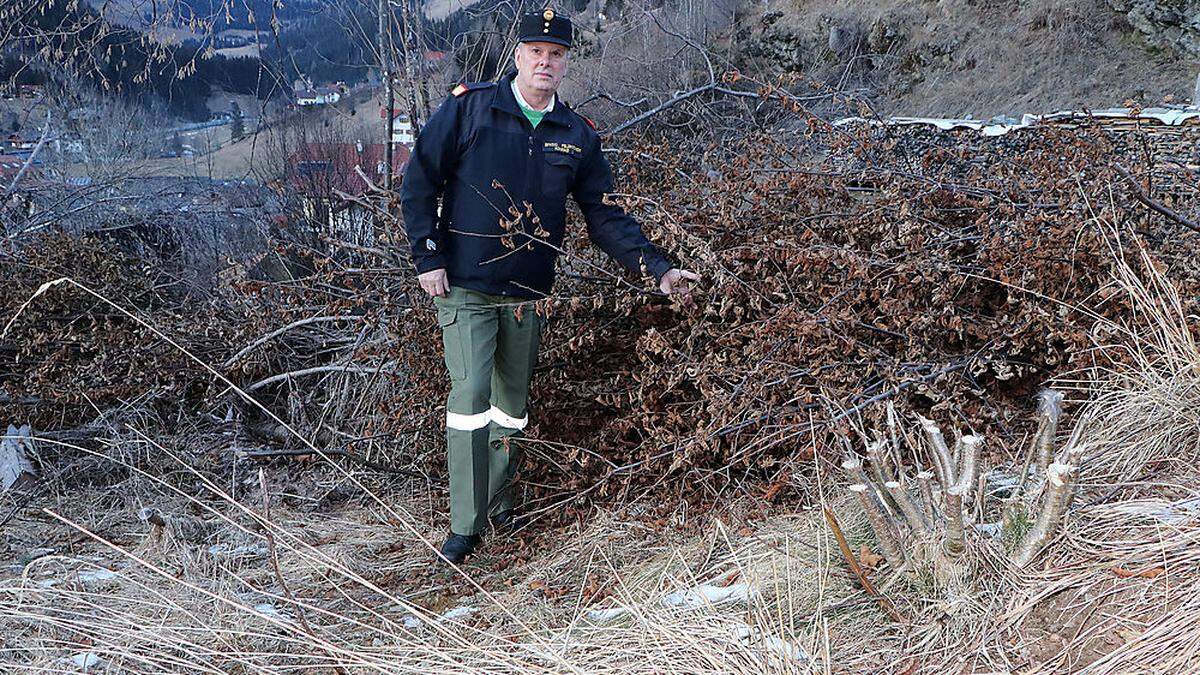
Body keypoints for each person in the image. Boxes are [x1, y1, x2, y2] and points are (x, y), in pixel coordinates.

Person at [400, 7, 699, 564]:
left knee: (512, 406)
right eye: (536, 51)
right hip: (463, 284)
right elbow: (418, 181)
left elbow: (604, 216)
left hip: (528, 293)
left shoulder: (577, 134)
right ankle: (466, 526)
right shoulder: (471, 109)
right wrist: (427, 254)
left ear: (566, 64)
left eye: (556, 54)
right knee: (469, 400)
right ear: (518, 56)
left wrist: (657, 269)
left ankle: (500, 503)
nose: (546, 61)